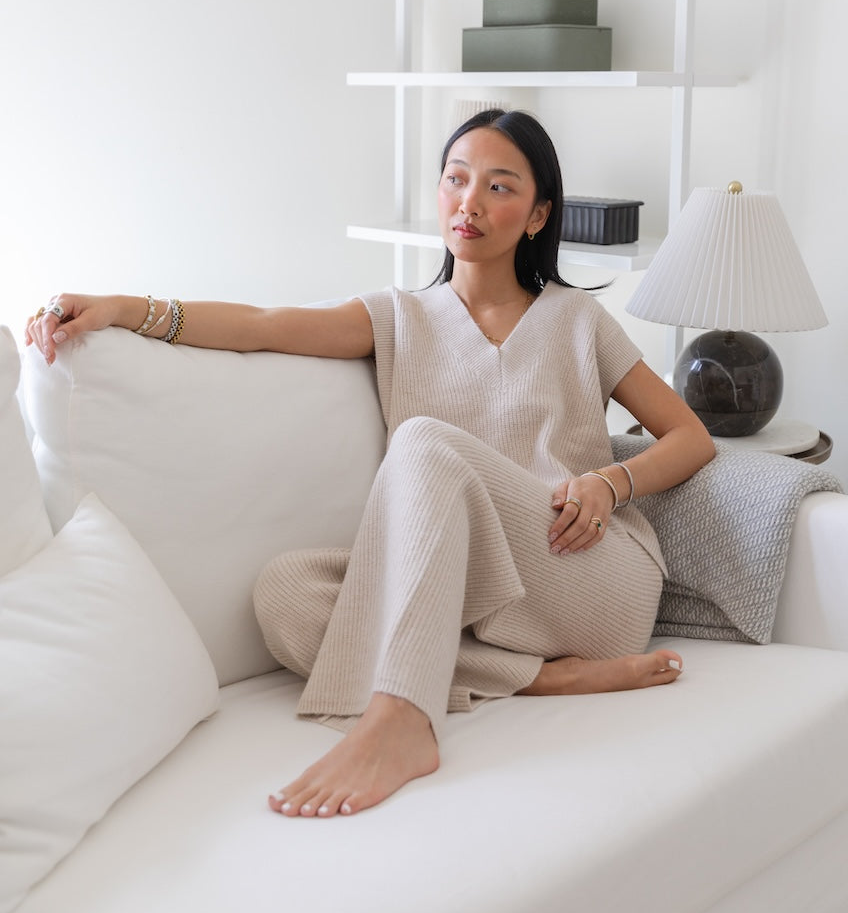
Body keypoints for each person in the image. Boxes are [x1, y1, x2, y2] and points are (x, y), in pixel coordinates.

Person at [26, 109, 715, 820]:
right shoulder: (398, 319)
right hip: (487, 601)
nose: (469, 202)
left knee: (423, 441)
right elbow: (264, 326)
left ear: (538, 214)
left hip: (587, 568)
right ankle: (540, 678)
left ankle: (402, 718)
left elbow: (690, 438)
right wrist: (120, 307)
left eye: (499, 187)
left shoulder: (579, 321)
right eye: (456, 179)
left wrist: (611, 482)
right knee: (286, 594)